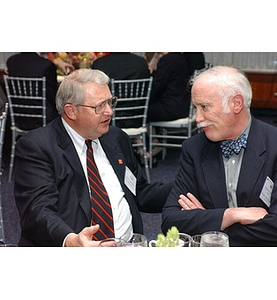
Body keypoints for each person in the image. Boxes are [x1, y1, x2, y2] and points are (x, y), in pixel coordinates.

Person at [14, 68, 172, 247]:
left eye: (110, 102)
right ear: (71, 111)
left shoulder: (116, 138)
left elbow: (138, 192)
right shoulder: (37, 147)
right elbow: (38, 209)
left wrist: (187, 186)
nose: (110, 111)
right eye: (100, 106)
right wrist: (71, 240)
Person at [161, 66, 277, 247]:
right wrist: (230, 215)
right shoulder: (194, 148)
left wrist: (209, 223)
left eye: (204, 107)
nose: (198, 118)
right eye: (195, 107)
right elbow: (171, 221)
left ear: (236, 104)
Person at [6, 52, 59, 123]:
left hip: (18, 116)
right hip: (44, 117)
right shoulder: (47, 65)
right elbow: (52, 95)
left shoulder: (11, 61)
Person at [146, 52, 190, 122]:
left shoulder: (167, 60)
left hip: (171, 108)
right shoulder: (179, 57)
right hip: (182, 106)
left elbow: (156, 87)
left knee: (140, 110)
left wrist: (150, 69)